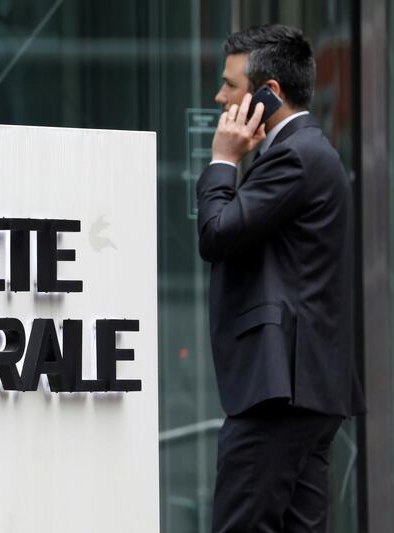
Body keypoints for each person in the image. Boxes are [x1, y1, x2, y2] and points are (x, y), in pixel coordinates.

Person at [196, 24, 365, 533]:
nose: (219, 96)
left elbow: (216, 233)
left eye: (230, 85)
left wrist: (223, 160)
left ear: (268, 94)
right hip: (305, 390)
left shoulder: (294, 154)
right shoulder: (309, 152)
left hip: (279, 391)